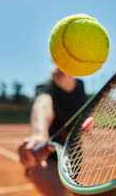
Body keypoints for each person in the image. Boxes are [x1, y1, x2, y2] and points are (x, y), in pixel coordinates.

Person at [18, 68, 87, 196]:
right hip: (44, 157)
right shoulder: (45, 88)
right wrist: (39, 134)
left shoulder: (80, 86)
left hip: (73, 159)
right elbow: (42, 105)